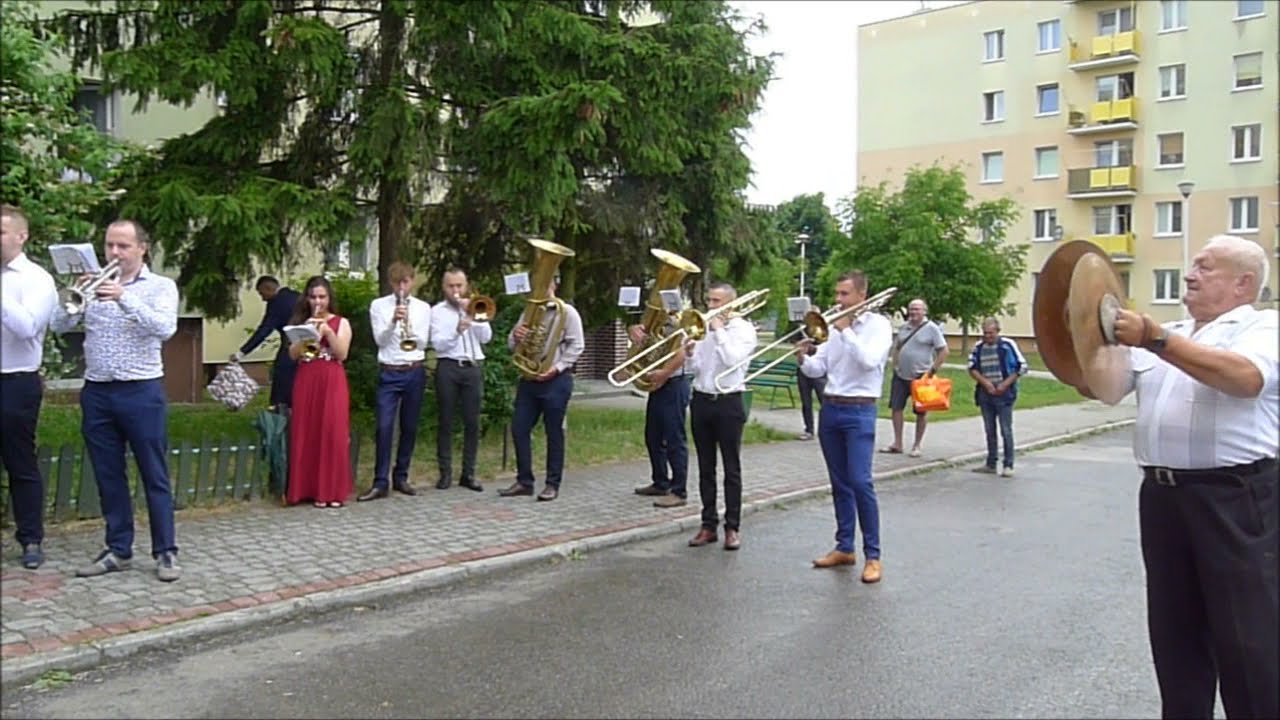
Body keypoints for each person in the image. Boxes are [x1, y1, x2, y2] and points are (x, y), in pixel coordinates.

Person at [1109, 234, 1277, 720]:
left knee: (1247, 640)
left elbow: (1246, 379)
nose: (1190, 275)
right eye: (1193, 266)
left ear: (1243, 283)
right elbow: (1104, 387)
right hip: (1163, 497)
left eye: (1205, 268)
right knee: (1176, 635)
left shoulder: (1263, 326)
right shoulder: (1179, 332)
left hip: (1234, 497)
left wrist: (1156, 339)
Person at [49, 220, 182, 582]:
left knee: (153, 473)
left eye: (123, 246)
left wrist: (124, 298)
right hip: (98, 391)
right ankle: (118, 549)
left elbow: (165, 328)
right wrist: (74, 294)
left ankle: (165, 551)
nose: (115, 253)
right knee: (108, 474)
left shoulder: (159, 287)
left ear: (142, 248)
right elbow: (59, 324)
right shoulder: (92, 285)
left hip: (141, 390)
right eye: (109, 246)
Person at [795, 271, 892, 583]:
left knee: (861, 481)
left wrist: (847, 331)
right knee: (839, 483)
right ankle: (844, 547)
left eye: (844, 295)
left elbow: (868, 361)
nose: (838, 301)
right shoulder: (834, 328)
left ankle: (873, 556)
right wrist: (803, 358)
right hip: (832, 408)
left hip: (860, 410)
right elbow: (818, 367)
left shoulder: (878, 326)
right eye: (837, 294)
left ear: (862, 296)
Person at [1, 205, 57, 570]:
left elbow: (27, 327)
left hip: (16, 380)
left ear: (21, 236)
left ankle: (31, 538)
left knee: (20, 463)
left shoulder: (36, 279)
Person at [684, 282, 757, 550]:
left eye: (717, 301)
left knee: (731, 468)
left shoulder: (744, 330)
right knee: (705, 467)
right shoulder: (703, 329)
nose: (711, 307)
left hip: (729, 401)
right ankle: (707, 525)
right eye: (710, 301)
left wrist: (718, 332)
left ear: (731, 304)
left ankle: (732, 527)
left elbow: (732, 360)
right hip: (702, 400)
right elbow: (698, 368)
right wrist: (690, 354)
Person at [499, 275, 584, 502]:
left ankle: (552, 484)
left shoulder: (567, 312)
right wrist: (516, 337)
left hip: (556, 380)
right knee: (519, 428)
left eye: (544, 284)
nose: (540, 289)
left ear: (554, 285)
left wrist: (557, 367)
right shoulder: (528, 311)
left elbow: (578, 345)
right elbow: (511, 344)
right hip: (529, 379)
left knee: (554, 432)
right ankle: (524, 481)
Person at [357, 262, 431, 502]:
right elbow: (380, 340)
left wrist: (408, 322)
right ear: (391, 283)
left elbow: (422, 342)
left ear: (412, 281)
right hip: (389, 371)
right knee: (384, 427)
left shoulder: (423, 308)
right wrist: (392, 321)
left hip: (414, 370)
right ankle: (380, 482)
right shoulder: (379, 306)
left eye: (406, 282)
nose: (402, 286)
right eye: (398, 282)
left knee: (409, 426)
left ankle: (401, 476)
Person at [285, 275, 354, 508]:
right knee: (307, 431)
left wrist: (327, 332)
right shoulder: (301, 321)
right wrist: (306, 334)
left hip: (331, 378)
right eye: (313, 297)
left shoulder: (340, 322)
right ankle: (306, 489)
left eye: (322, 297)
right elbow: (293, 355)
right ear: (307, 298)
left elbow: (342, 353)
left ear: (329, 298)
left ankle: (332, 491)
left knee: (332, 432)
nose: (318, 301)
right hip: (307, 377)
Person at [430, 267, 492, 492]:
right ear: (444, 288)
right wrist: (457, 330)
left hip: (472, 367)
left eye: (459, 285)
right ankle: (445, 473)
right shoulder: (437, 311)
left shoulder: (476, 306)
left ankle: (469, 473)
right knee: (446, 421)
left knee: (472, 422)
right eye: (451, 286)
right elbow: (438, 345)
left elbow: (487, 337)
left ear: (466, 286)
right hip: (448, 366)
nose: (456, 290)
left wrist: (473, 317)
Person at [628, 315, 692, 508]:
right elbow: (643, 341)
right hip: (660, 384)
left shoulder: (684, 322)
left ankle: (679, 491)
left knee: (674, 438)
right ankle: (661, 482)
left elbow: (681, 353)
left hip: (675, 383)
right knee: (653, 436)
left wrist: (664, 373)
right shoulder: (659, 324)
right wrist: (635, 331)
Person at [882, 298, 948, 457]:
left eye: (917, 309)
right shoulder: (904, 328)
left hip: (922, 376)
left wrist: (932, 370)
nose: (913, 312)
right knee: (896, 408)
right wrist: (895, 365)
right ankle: (897, 443)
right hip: (901, 375)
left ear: (924, 311)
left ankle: (917, 445)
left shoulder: (932, 328)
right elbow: (896, 347)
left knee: (921, 411)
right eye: (911, 309)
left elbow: (944, 351)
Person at [967, 317, 1027, 477]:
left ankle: (1008, 464)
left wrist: (1005, 384)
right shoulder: (978, 347)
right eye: (985, 333)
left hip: (1005, 393)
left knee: (1006, 429)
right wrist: (985, 383)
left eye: (991, 334)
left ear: (998, 332)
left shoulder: (1007, 345)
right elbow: (972, 367)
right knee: (989, 429)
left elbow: (1022, 367)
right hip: (986, 393)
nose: (988, 337)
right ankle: (991, 463)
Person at [231, 276, 301, 411]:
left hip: (290, 347)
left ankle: (278, 415)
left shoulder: (276, 303)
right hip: (308, 347)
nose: (263, 299)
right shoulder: (297, 296)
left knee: (282, 382)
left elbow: (264, 331)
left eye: (262, 294)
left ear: (268, 289)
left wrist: (242, 352)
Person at [793, 303, 827, 441]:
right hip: (803, 369)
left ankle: (826, 429)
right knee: (806, 402)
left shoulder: (826, 331)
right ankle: (809, 430)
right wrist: (799, 350)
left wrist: (812, 348)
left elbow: (826, 349)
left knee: (824, 401)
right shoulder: (802, 330)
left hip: (820, 371)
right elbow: (795, 347)